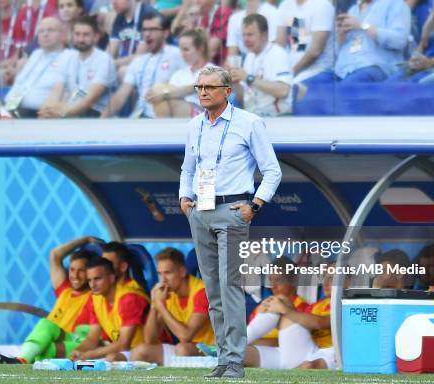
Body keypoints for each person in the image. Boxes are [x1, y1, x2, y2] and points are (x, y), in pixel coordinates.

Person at [179, 65, 282, 378]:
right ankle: (223, 359)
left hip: (234, 209)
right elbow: (188, 169)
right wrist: (185, 199)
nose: (203, 92)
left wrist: (254, 206)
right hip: (201, 210)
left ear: (227, 91)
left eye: (210, 87)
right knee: (212, 289)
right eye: (199, 87)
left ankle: (235, 360)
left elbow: (272, 170)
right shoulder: (195, 125)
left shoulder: (249, 123)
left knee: (229, 285)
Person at [0, 241, 97, 364]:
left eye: (81, 270)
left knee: (46, 328)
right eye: (72, 269)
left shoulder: (96, 296)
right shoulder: (64, 290)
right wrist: (86, 239)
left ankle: (22, 360)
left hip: (72, 344)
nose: (75, 275)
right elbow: (55, 254)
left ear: (90, 272)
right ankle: (22, 359)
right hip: (42, 342)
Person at [0, 17, 72, 118]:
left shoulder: (70, 56)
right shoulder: (35, 54)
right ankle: (2, 116)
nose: (45, 34)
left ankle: (0, 117)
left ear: (62, 35)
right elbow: (21, 84)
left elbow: (69, 90)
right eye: (41, 31)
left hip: (36, 112)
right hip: (12, 106)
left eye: (51, 30)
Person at [130, 247, 214, 366]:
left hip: (215, 349)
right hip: (187, 349)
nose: (163, 280)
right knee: (140, 352)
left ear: (182, 272)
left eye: (168, 273)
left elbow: (186, 336)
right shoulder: (167, 292)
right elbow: (150, 339)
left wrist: (161, 307)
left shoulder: (202, 291)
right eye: (160, 273)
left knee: (183, 349)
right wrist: (155, 306)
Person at [101, 12, 184, 118]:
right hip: (139, 117)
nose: (147, 34)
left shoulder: (177, 54)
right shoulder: (138, 61)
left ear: (165, 33)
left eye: (152, 30)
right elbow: (121, 96)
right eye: (144, 30)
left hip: (164, 119)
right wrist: (102, 119)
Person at [70, 257, 149, 361]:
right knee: (83, 363)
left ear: (112, 278)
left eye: (97, 279)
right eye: (89, 280)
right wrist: (78, 352)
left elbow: (124, 344)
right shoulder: (95, 299)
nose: (92, 285)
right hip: (128, 352)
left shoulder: (128, 298)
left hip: (149, 350)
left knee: (111, 358)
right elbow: (91, 339)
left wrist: (89, 355)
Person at [38, 15, 115, 118]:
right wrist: (48, 109)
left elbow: (90, 100)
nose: (80, 39)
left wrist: (61, 113)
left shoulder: (105, 60)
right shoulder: (67, 57)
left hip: (94, 115)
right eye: (77, 34)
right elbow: (56, 90)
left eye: (86, 35)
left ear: (96, 37)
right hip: (70, 112)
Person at [264, 262, 337, 369]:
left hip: (329, 352)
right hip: (309, 350)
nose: (325, 282)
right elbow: (299, 327)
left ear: (348, 281)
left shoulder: (343, 304)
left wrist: (285, 310)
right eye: (324, 277)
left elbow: (320, 323)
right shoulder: (315, 305)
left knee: (306, 366)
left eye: (331, 278)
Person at [244, 257, 310, 369]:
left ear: (293, 279)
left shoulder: (303, 309)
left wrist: (257, 342)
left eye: (278, 280)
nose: (273, 286)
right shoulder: (262, 306)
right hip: (256, 350)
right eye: (271, 280)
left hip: (283, 356)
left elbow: (289, 342)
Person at [229, 14, 293, 117]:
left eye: (250, 35)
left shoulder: (278, 53)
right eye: (244, 35)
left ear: (264, 35)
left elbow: (283, 90)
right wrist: (235, 82)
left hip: (278, 118)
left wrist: (248, 78)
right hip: (254, 117)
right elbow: (243, 99)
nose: (246, 39)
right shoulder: (249, 57)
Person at [335, 0, 411, 82]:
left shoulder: (396, 4)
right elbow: (339, 52)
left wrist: (363, 25)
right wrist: (341, 35)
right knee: (320, 83)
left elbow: (399, 40)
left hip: (375, 67)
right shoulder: (353, 9)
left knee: (346, 88)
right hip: (342, 69)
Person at [148, 28, 211, 118]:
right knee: (158, 89)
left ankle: (162, 128)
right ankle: (164, 129)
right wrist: (155, 95)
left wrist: (162, 95)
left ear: (200, 49)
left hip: (205, 116)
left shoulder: (213, 70)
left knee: (159, 91)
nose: (182, 54)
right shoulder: (179, 73)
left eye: (186, 49)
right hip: (182, 112)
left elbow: (192, 88)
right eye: (181, 50)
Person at [275, 0, 335, 83]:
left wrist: (291, 73)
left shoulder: (322, 5)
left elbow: (315, 52)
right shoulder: (286, 5)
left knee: (286, 90)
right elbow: (279, 45)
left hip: (320, 69)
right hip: (293, 69)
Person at [107, 0, 157, 74]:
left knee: (123, 71)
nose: (114, 2)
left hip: (154, 65)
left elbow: (139, 57)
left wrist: (110, 64)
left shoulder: (148, 15)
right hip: (127, 64)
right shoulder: (120, 17)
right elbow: (110, 50)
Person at [197, 0, 233, 65]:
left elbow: (214, 45)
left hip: (222, 64)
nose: (197, 1)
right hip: (208, 63)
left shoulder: (223, 12)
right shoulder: (204, 16)